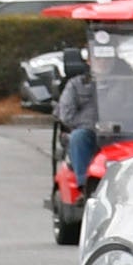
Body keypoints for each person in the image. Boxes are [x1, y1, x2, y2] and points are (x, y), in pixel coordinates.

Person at [56, 46, 103, 193]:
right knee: (79, 136)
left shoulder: (126, 83)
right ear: (89, 61)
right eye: (98, 58)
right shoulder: (76, 85)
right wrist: (93, 125)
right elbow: (66, 114)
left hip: (123, 131)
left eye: (107, 58)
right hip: (90, 133)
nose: (103, 61)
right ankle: (85, 187)